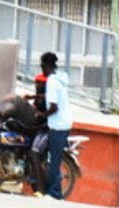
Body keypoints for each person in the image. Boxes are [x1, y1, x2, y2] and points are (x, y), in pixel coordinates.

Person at [41, 52, 72, 200]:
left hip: (58, 126)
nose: (42, 70)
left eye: (42, 66)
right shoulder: (60, 79)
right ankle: (57, 192)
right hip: (63, 124)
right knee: (54, 160)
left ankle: (54, 193)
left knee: (53, 162)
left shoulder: (52, 81)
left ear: (47, 66)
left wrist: (41, 115)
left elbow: (54, 107)